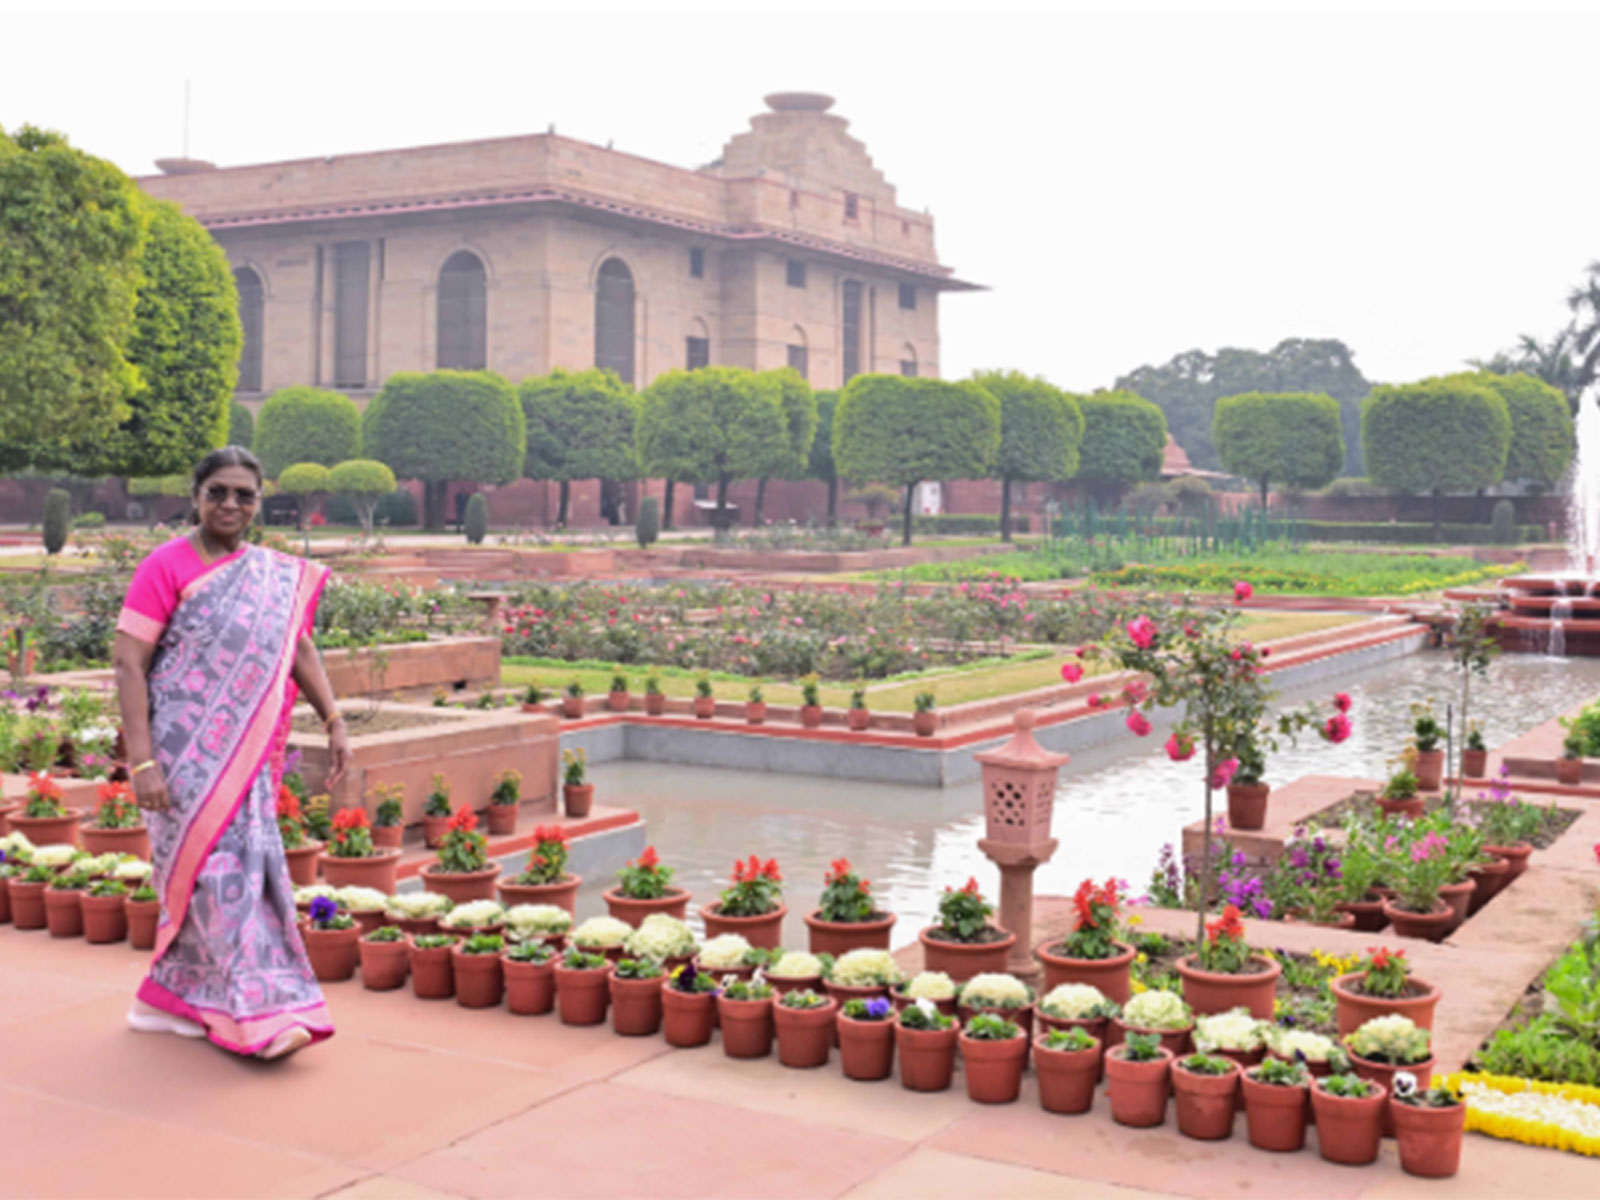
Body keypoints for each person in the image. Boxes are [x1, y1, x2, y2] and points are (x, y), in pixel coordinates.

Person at [112, 446, 352, 1060]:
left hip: (243, 757)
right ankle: (257, 1017)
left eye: (244, 495)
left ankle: (165, 1003)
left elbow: (300, 648)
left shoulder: (271, 573)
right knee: (216, 880)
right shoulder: (164, 565)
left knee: (244, 875)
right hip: (180, 756)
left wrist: (334, 719)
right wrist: (143, 762)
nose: (229, 504)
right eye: (217, 491)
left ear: (258, 502)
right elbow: (130, 663)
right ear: (196, 495)